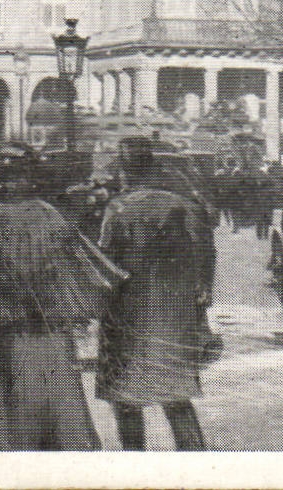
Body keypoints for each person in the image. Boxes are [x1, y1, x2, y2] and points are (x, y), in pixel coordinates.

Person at [0, 143, 124, 451]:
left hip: (18, 319)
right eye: (8, 176)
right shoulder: (34, 216)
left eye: (14, 176)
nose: (10, 183)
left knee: (24, 383)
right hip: (24, 319)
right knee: (32, 380)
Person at [95, 137, 217, 451]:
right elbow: (206, 255)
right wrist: (201, 297)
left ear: (124, 170)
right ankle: (197, 465)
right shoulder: (183, 205)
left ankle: (136, 467)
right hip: (174, 315)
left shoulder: (118, 208)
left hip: (129, 317)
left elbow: (106, 263)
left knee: (127, 402)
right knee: (177, 399)